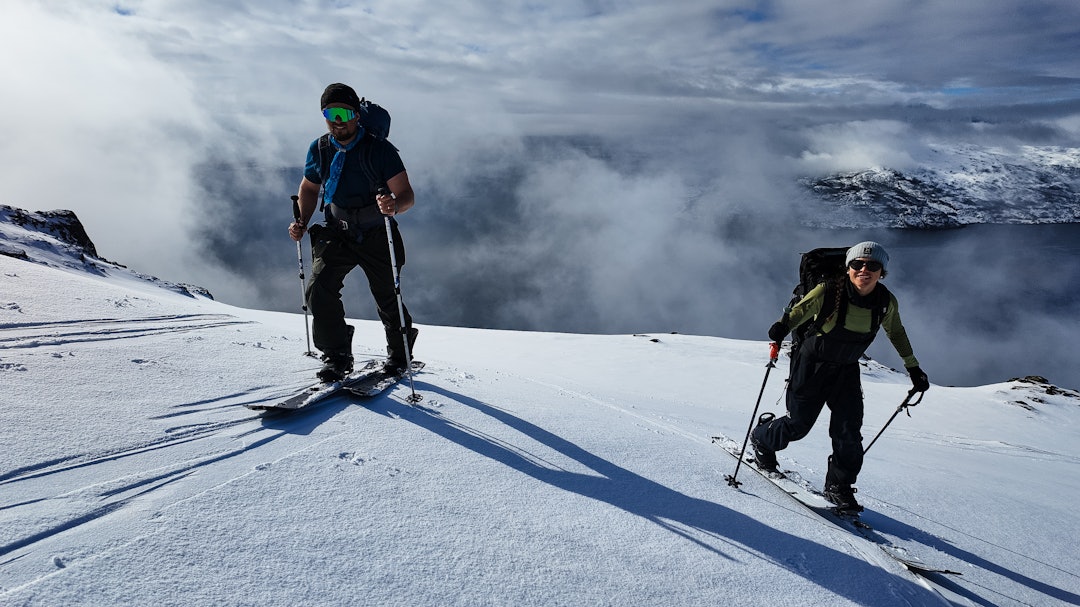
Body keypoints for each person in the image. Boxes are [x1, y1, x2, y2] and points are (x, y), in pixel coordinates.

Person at [751, 241, 930, 512]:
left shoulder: (885, 301)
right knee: (798, 425)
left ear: (882, 272)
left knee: (848, 431)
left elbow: (896, 332)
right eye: (857, 264)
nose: (864, 270)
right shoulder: (829, 291)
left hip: (846, 369)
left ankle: (839, 486)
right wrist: (781, 327)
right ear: (847, 268)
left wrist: (913, 368)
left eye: (872, 266)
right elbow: (798, 312)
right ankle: (762, 439)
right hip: (812, 365)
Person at [288, 83, 417, 382]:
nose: (338, 120)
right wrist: (303, 221)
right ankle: (336, 355)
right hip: (337, 229)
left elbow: (407, 195)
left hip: (375, 231)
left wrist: (393, 206)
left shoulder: (379, 150)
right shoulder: (319, 149)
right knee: (319, 289)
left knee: (388, 295)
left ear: (357, 115)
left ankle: (400, 355)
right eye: (330, 113)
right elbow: (309, 187)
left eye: (344, 112)